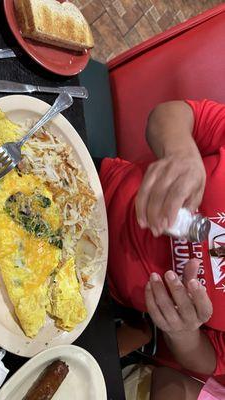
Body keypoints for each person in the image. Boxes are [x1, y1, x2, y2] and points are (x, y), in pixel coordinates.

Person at [99, 99, 225, 398]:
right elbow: (169, 114)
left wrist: (183, 333)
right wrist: (180, 150)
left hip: (101, 295)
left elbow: (207, 360)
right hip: (96, 190)